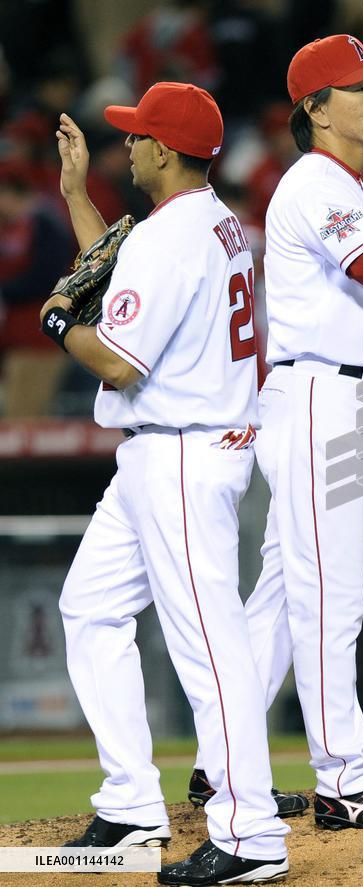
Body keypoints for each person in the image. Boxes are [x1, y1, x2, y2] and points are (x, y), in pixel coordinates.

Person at [190, 34, 363, 831]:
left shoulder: (337, 183)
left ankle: (218, 758)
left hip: (330, 398)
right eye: (360, 86)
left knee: (279, 593)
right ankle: (346, 775)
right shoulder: (316, 181)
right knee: (327, 595)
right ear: (314, 108)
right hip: (320, 400)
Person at [40, 83, 290, 885]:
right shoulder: (208, 223)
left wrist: (57, 323)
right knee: (91, 604)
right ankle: (132, 804)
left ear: (166, 151)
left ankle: (251, 837)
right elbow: (127, 282)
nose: (130, 147)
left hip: (182, 452)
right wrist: (79, 196)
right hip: (172, 449)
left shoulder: (170, 238)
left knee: (210, 648)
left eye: (139, 137)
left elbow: (116, 355)